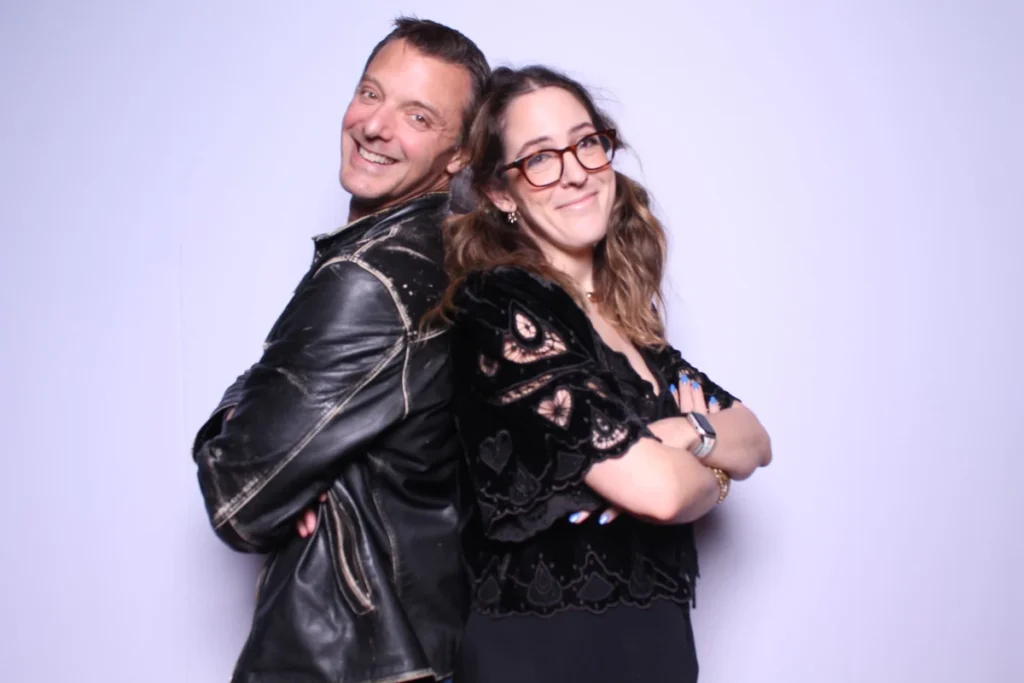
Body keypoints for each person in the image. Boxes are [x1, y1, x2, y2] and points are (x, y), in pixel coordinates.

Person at [428, 66, 773, 683]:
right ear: (501, 194)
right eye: (539, 158)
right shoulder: (503, 307)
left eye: (586, 142)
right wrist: (712, 473)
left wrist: (684, 435)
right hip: (546, 657)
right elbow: (661, 493)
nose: (574, 170)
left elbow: (754, 437)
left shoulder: (630, 329)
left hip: (655, 651)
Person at [190, 18, 489, 683]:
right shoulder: (450, 261)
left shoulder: (372, 279)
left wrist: (244, 402)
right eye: (370, 92)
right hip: (421, 647)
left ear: (460, 153)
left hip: (349, 658)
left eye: (417, 115)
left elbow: (237, 496)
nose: (375, 125)